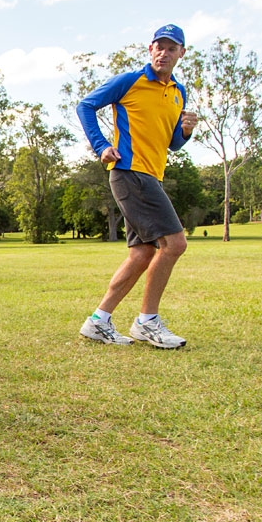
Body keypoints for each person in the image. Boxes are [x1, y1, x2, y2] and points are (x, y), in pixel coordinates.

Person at [75, 23, 198, 349]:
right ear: (150, 50)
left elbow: (173, 144)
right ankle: (147, 321)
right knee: (175, 245)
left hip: (150, 175)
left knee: (143, 253)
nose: (163, 52)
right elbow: (85, 105)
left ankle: (98, 321)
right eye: (158, 46)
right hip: (130, 173)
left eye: (171, 48)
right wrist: (101, 145)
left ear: (181, 53)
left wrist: (185, 131)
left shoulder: (178, 93)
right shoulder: (132, 81)